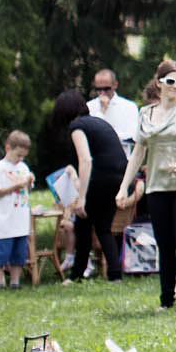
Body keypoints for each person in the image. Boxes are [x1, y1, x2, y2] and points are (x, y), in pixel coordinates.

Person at [116, 58, 176, 311]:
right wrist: (124, 186)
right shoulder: (145, 114)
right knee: (165, 244)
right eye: (171, 81)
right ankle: (166, 299)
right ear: (159, 83)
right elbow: (138, 153)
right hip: (157, 188)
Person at [45, 89, 127, 281]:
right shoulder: (99, 122)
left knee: (83, 225)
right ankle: (115, 275)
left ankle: (76, 275)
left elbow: (86, 160)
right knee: (103, 227)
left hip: (101, 177)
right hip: (118, 176)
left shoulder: (77, 127)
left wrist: (81, 197)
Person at [0, 129, 36, 288]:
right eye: (18, 155)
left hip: (20, 220)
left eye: (23, 156)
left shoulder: (23, 167)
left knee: (19, 254)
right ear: (8, 148)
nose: (20, 159)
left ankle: (15, 281)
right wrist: (15, 185)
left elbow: (27, 190)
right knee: (1, 253)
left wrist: (29, 182)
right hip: (4, 220)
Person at [88, 67, 141, 152]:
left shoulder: (129, 106)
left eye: (106, 89)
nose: (102, 93)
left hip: (122, 157)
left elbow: (132, 136)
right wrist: (102, 111)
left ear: (115, 85)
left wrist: (106, 137)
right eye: (98, 89)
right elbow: (92, 134)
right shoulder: (90, 106)